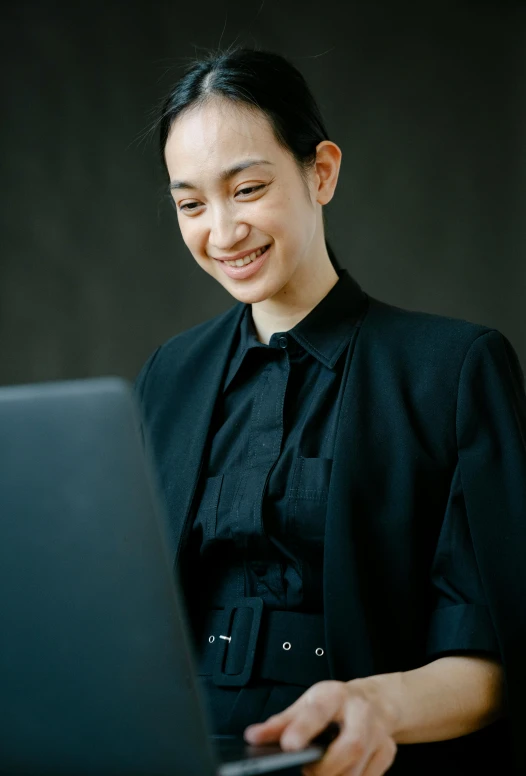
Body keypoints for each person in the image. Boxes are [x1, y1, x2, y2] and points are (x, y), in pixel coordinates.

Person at [134, 46, 526, 775]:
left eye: (247, 188)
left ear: (322, 172)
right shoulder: (169, 376)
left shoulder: (452, 368)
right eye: (191, 204)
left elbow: (498, 654)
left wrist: (375, 706)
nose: (221, 233)